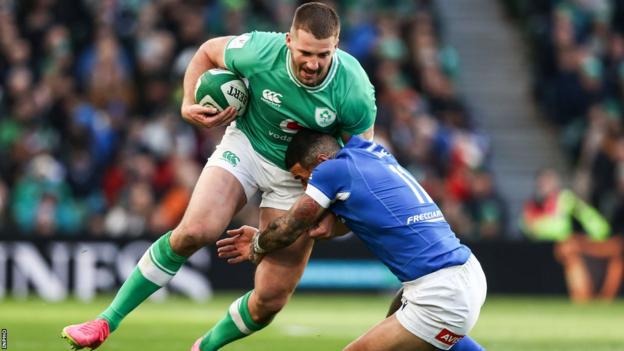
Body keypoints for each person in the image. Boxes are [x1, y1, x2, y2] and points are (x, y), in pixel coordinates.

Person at [61, 3, 376, 350]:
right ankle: (105, 320)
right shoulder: (260, 50)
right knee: (195, 231)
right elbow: (207, 52)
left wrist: (331, 218)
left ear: (337, 45)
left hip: (300, 179)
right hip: (248, 147)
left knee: (270, 299)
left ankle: (204, 347)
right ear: (289, 41)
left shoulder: (354, 90)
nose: (313, 64)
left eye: (323, 55)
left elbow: (358, 165)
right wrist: (186, 102)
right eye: (305, 53)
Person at [217, 129, 487, 351]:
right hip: (465, 271)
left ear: (321, 161)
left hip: (442, 291)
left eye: (302, 178)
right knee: (400, 319)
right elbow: (370, 205)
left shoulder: (331, 171)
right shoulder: (374, 153)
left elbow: (289, 226)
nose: (304, 187)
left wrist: (257, 245)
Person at [521, 168, 621, 302]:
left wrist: (597, 237)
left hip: (574, 245)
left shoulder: (565, 199)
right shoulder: (533, 204)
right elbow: (526, 226)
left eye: (547, 182)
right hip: (551, 249)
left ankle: (586, 295)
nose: (544, 186)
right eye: (542, 183)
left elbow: (581, 221)